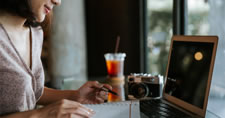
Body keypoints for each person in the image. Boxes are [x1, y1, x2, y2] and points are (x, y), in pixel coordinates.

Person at [0, 0, 112, 118]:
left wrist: (74, 96)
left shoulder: (35, 33)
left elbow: (29, 92)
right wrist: (41, 114)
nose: (57, 2)